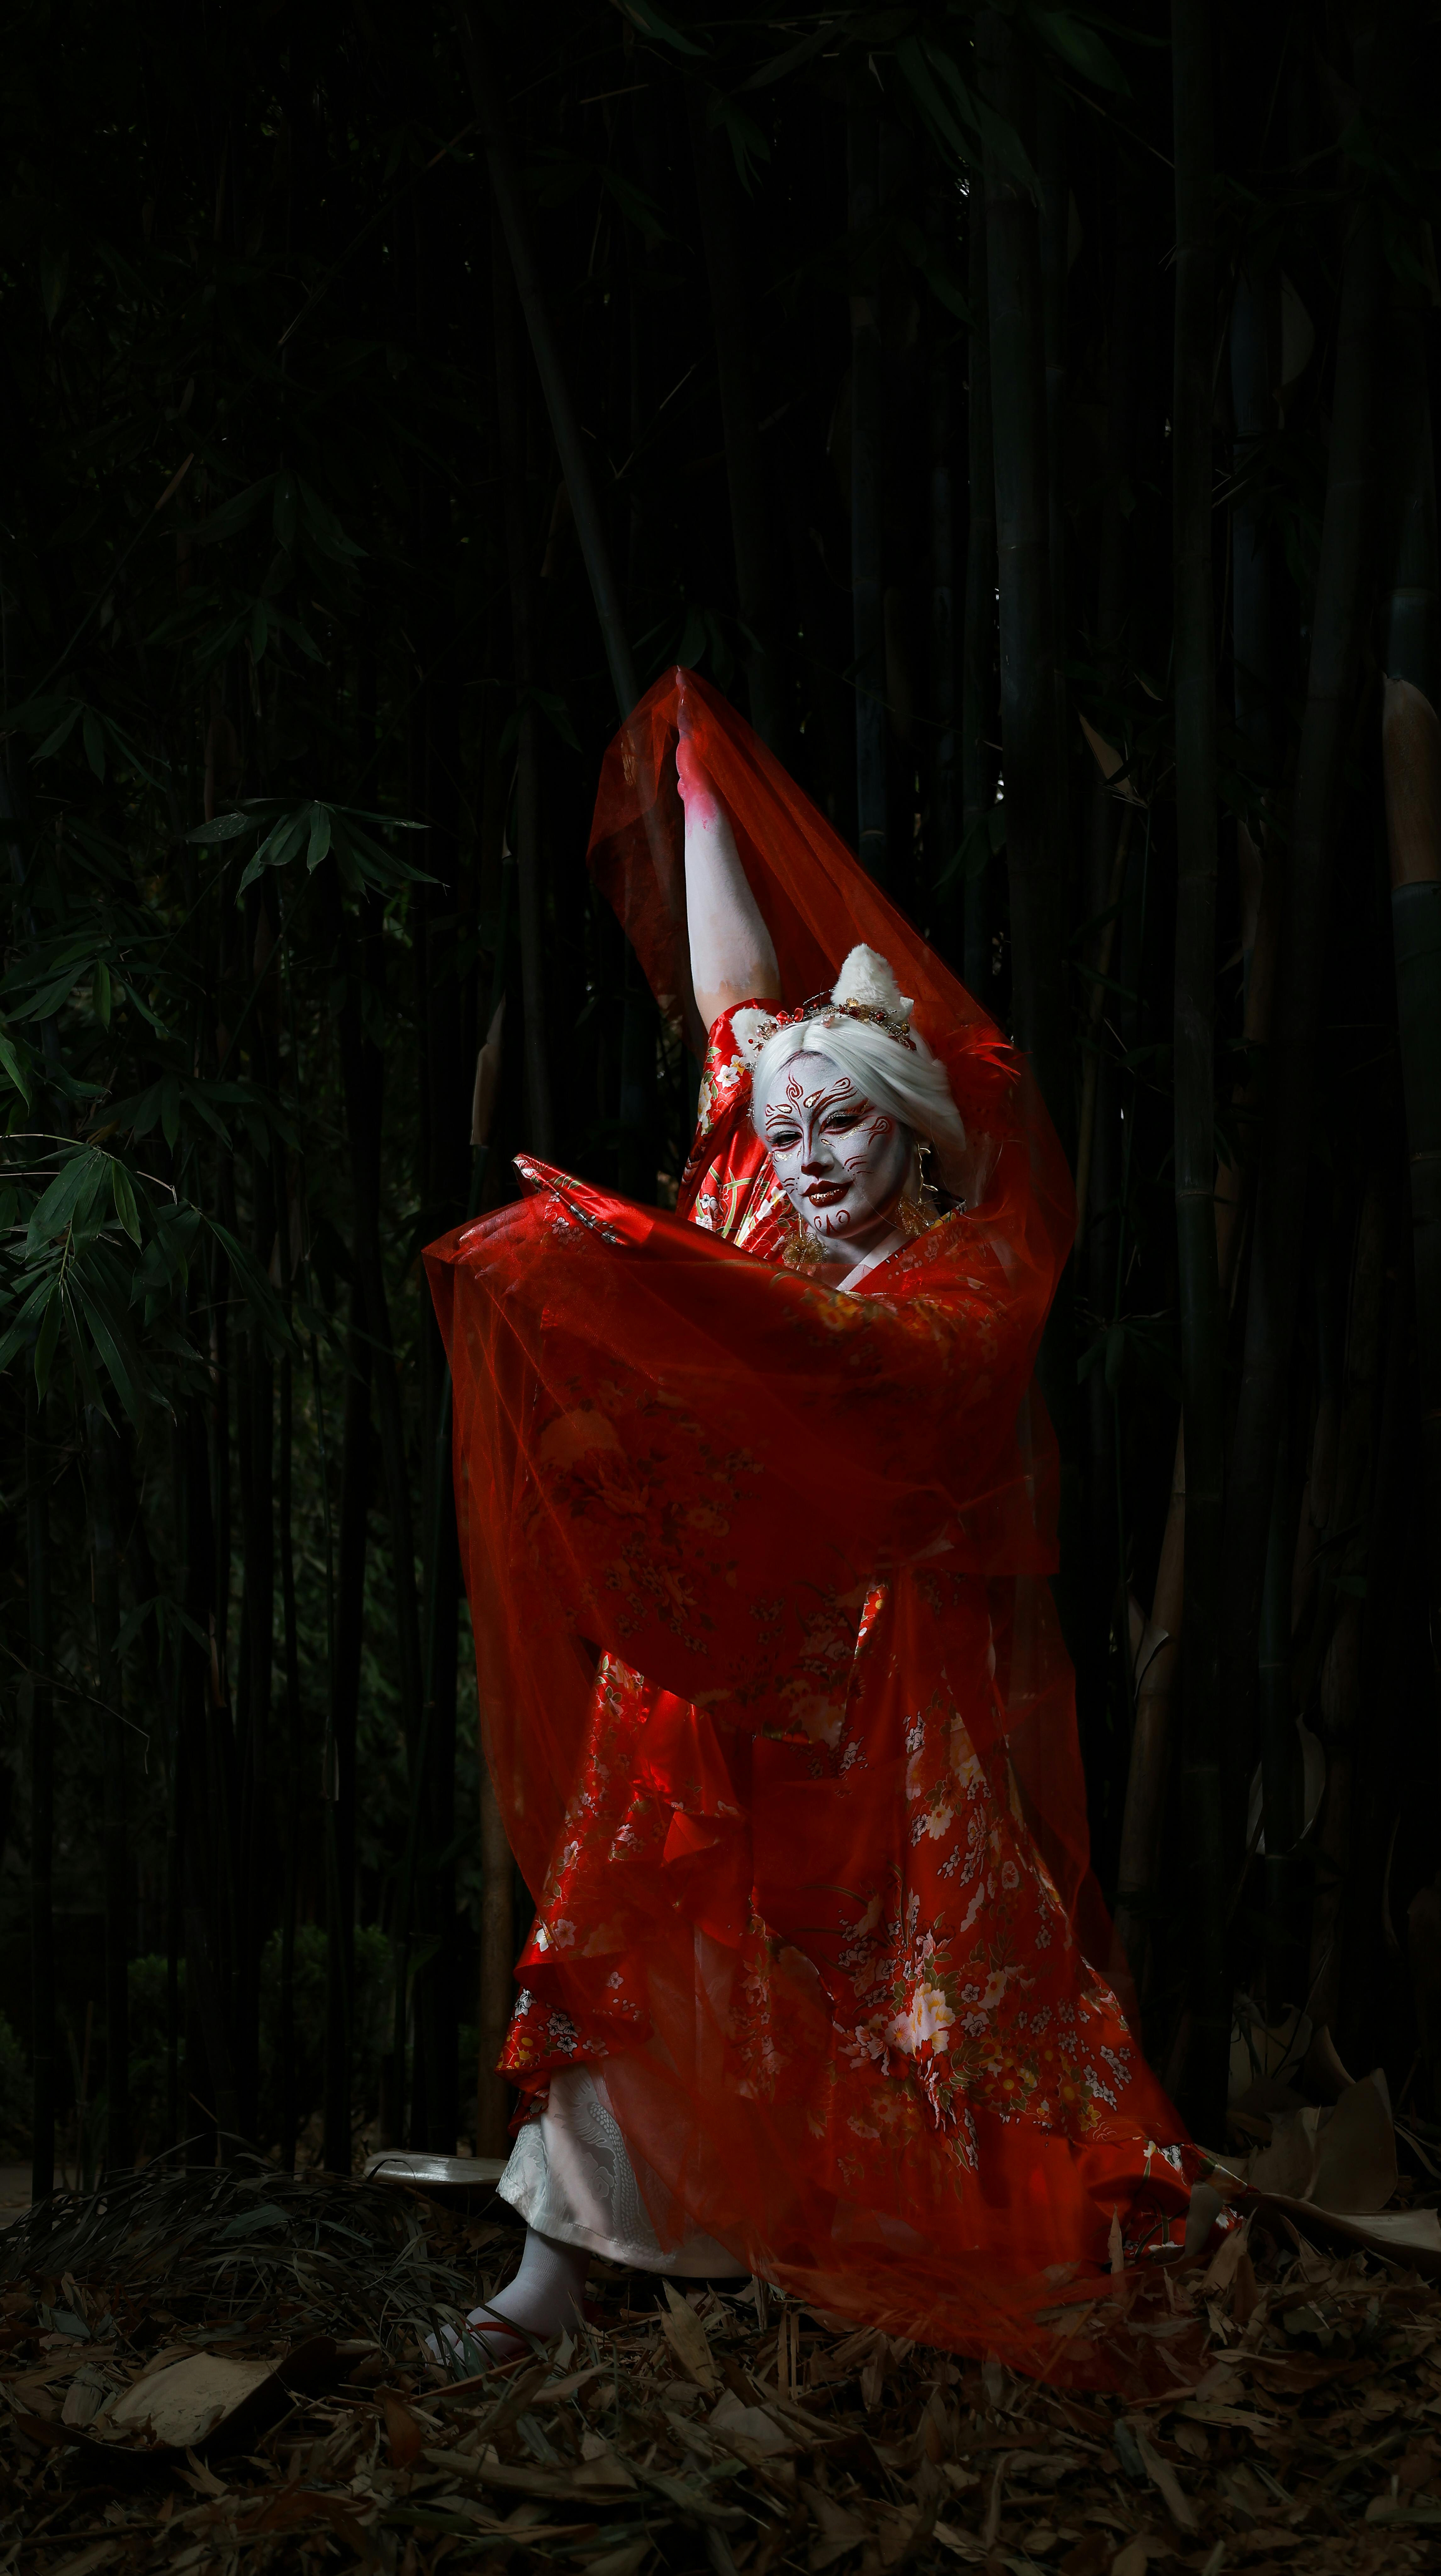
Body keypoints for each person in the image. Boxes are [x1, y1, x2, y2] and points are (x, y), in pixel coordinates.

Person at [425, 669, 1207, 2386]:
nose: (804, 1152)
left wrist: (654, 1280)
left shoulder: (969, 1269)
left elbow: (872, 1364)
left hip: (879, 1688)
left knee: (923, 1954)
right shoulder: (756, 1191)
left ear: (912, 1131)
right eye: (786, 1130)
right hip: (712, 1664)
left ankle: (880, 2235)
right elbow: (736, 1004)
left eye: (840, 1121)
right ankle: (553, 2274)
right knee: (637, 1925)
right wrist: (703, 810)